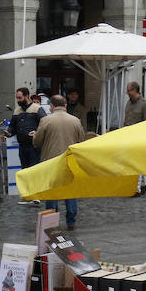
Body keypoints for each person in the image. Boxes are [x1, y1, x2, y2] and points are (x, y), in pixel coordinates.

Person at [33, 94, 85, 230]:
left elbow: (37, 141)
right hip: (70, 160)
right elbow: (81, 141)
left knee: (52, 191)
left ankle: (52, 219)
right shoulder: (75, 121)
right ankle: (71, 221)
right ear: (65, 105)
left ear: (51, 106)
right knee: (70, 190)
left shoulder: (45, 120)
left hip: (51, 161)